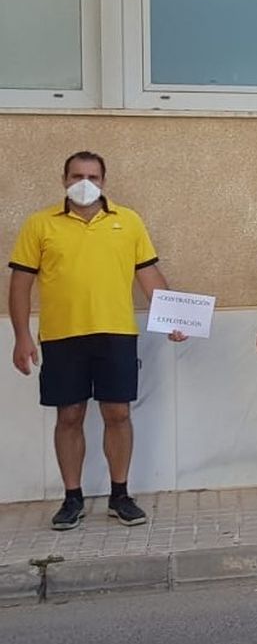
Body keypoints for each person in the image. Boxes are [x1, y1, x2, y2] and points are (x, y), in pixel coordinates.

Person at [9, 151, 187, 530]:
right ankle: (72, 499)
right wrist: (21, 335)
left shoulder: (129, 221)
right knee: (69, 415)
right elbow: (21, 283)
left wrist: (174, 317)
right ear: (64, 179)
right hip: (61, 336)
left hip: (116, 333)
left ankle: (120, 495)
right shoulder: (39, 225)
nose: (85, 182)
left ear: (104, 181)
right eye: (77, 175)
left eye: (93, 175)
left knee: (118, 414)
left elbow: (149, 274)